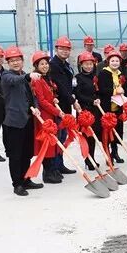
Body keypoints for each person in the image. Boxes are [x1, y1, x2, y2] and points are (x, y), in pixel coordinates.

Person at [1, 46, 43, 196]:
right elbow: (15, 80)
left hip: (28, 120)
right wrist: (28, 76)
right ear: (8, 63)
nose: (15, 63)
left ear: (22, 61)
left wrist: (35, 107)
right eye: (12, 61)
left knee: (27, 153)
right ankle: (17, 184)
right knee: (16, 155)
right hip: (14, 122)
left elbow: (32, 96)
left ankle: (26, 179)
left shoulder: (24, 76)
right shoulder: (6, 76)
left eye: (18, 60)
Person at [30, 51, 63, 184]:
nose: (45, 66)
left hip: (51, 115)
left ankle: (53, 169)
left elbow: (48, 95)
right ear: (36, 66)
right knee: (47, 145)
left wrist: (54, 99)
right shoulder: (37, 79)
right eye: (41, 64)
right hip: (45, 116)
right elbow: (42, 101)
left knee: (53, 143)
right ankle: (47, 173)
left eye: (46, 63)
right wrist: (57, 112)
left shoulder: (46, 78)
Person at [49, 36, 77, 175]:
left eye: (67, 49)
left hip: (66, 105)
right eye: (62, 48)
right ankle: (53, 167)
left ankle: (60, 165)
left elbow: (69, 85)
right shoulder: (53, 65)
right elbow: (60, 86)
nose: (65, 51)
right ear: (56, 49)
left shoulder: (65, 64)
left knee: (63, 137)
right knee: (58, 137)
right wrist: (73, 101)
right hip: (58, 106)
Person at [74, 51, 103, 168]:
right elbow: (78, 94)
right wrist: (91, 101)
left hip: (95, 110)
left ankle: (92, 158)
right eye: (86, 64)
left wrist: (98, 99)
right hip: (84, 111)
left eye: (90, 64)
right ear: (81, 65)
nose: (88, 66)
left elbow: (98, 91)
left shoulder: (95, 77)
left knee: (93, 136)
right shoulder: (77, 78)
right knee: (86, 136)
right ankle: (87, 160)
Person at [98, 47, 126, 163]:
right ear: (108, 61)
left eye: (117, 61)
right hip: (107, 107)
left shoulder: (120, 74)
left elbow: (122, 88)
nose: (115, 63)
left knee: (117, 131)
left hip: (118, 107)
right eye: (112, 61)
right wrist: (115, 91)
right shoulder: (103, 73)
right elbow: (102, 89)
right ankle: (108, 155)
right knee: (107, 132)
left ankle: (115, 153)